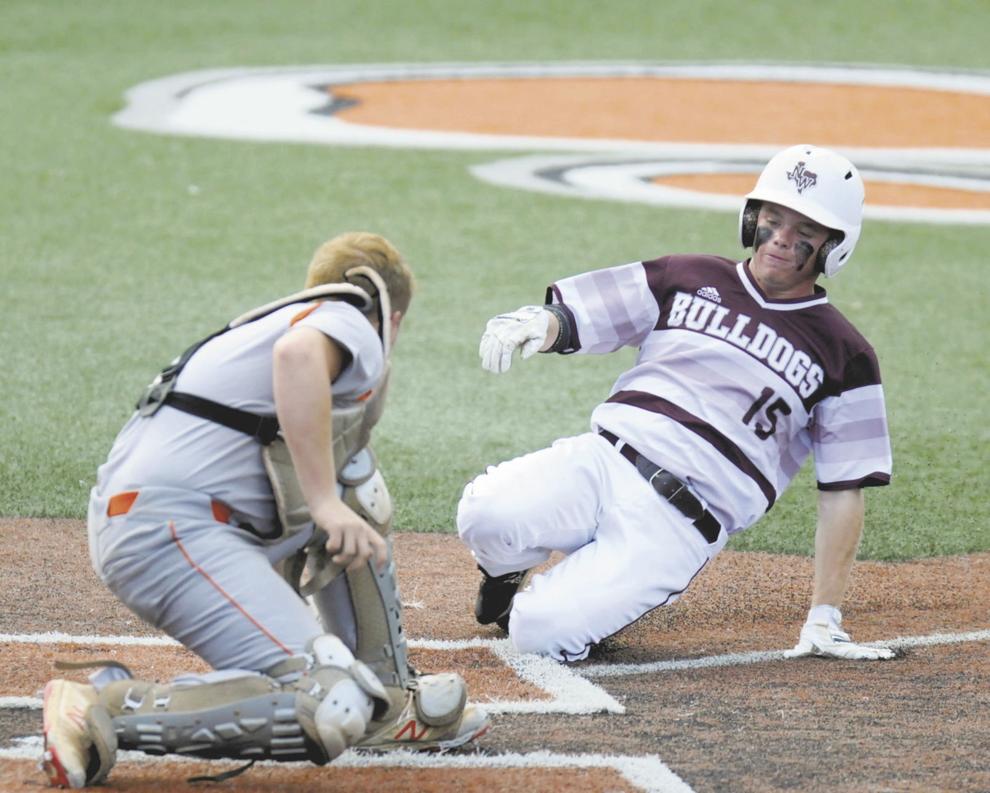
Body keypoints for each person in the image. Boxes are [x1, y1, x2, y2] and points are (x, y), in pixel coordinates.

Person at [40, 232, 489, 789]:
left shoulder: (278, 324)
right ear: (393, 317)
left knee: (356, 481)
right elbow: (297, 356)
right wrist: (323, 504)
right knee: (330, 699)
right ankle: (103, 706)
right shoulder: (353, 311)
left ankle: (389, 697)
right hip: (174, 530)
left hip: (162, 523)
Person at [458, 144, 896, 664]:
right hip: (603, 463)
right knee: (485, 511)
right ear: (751, 217)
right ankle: (508, 571)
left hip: (678, 523)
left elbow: (843, 490)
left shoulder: (847, 353)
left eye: (804, 232)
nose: (781, 238)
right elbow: (585, 313)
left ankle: (587, 597)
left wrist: (825, 613)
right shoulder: (688, 275)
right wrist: (539, 322)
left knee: (538, 634)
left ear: (833, 246)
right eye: (773, 219)